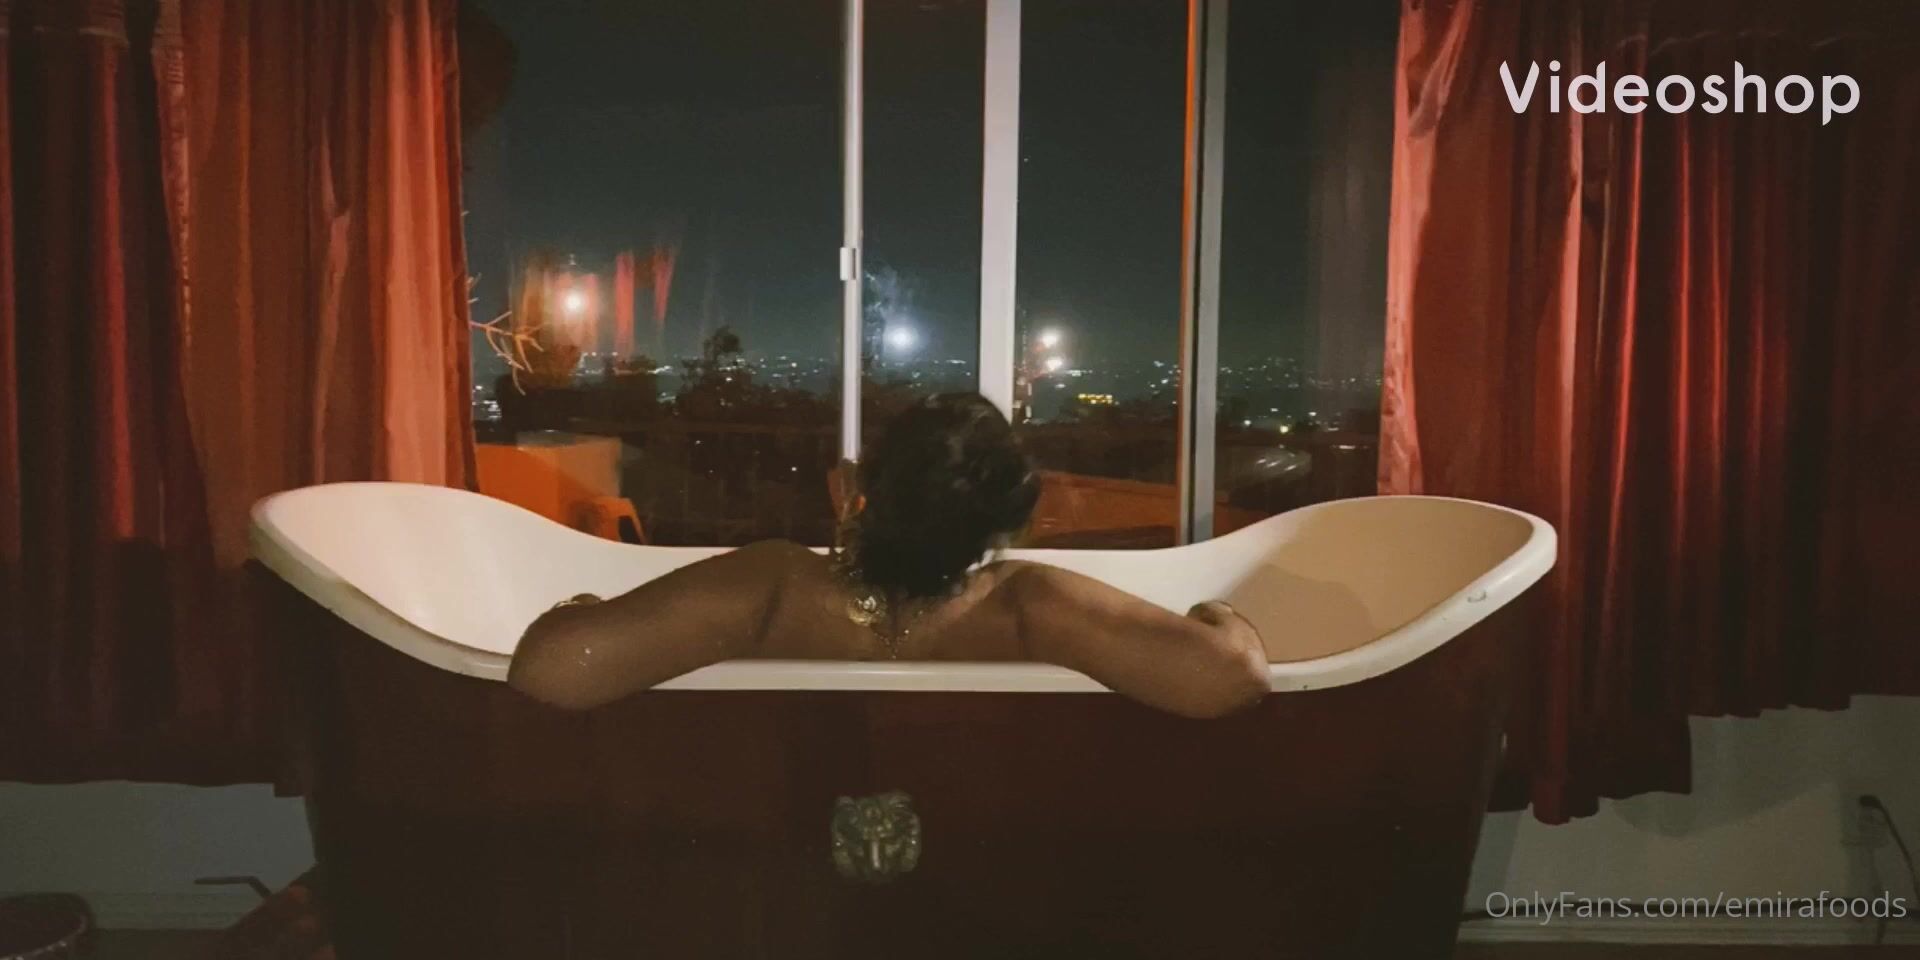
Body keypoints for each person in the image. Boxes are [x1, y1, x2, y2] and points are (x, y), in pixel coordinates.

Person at [508, 392, 1270, 719]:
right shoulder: (1030, 607)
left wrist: (582, 606)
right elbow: (1229, 677)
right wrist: (1217, 610)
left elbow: (552, 669)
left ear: (852, 491)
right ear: (1003, 522)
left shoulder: (773, 587)